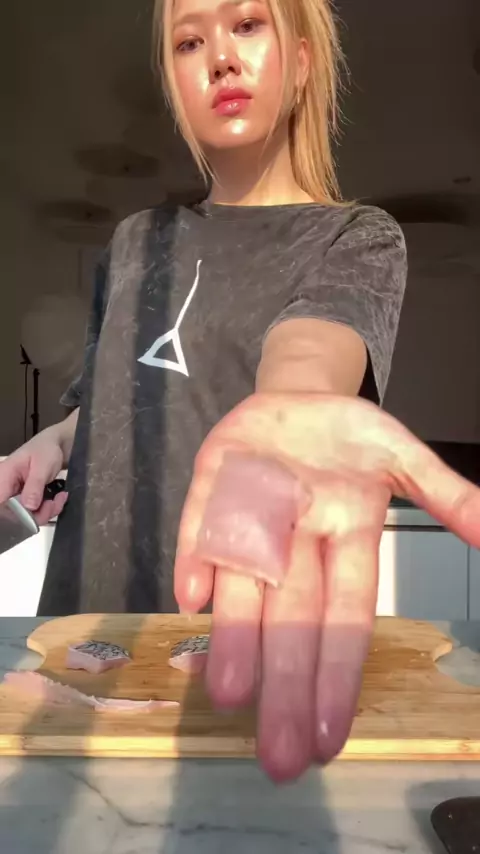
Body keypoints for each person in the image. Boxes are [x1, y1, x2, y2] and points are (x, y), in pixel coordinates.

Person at [1, 0, 479, 782]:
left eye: (247, 25)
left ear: (303, 58)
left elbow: (311, 353)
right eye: (189, 41)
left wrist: (293, 403)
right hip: (85, 637)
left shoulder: (355, 237)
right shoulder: (134, 241)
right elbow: (115, 395)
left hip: (223, 655)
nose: (220, 56)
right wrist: (51, 442)